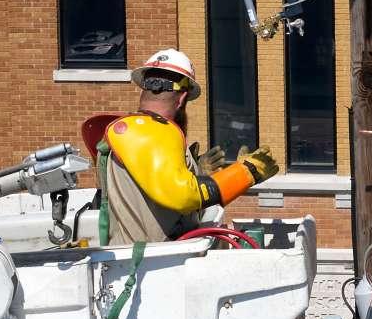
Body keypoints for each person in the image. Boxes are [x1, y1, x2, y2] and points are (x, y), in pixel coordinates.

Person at [88, 49, 277, 245]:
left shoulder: (137, 133)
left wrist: (199, 172)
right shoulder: (151, 132)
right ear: (181, 99)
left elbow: (164, 199)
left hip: (143, 261)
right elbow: (182, 196)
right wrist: (246, 172)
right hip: (154, 265)